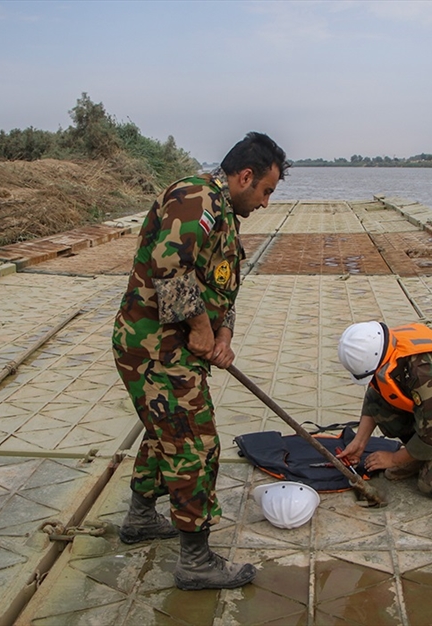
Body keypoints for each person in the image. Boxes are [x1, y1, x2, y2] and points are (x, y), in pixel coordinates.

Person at [112, 132, 289, 590]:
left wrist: (223, 332)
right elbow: (169, 266)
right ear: (245, 176)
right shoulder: (196, 198)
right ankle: (195, 560)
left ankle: (140, 519)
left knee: (164, 432)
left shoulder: (225, 215)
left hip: (173, 348)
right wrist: (200, 329)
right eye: (266, 190)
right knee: (195, 444)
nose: (267, 203)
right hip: (155, 348)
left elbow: (223, 285)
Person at [336, 321, 432, 498]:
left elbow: (431, 437)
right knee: (386, 416)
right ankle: (423, 455)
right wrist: (359, 442)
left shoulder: (424, 374)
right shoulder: (384, 346)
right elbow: (375, 393)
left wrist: (394, 459)